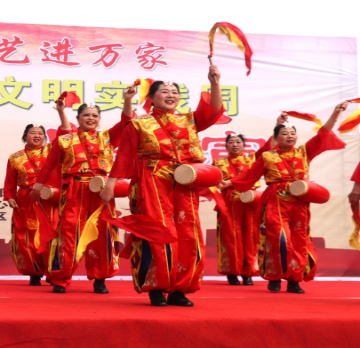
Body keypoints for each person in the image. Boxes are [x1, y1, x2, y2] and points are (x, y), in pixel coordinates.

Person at [101, 66, 225, 307]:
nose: (171, 95)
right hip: (152, 182)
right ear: (151, 98)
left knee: (188, 233)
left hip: (184, 182)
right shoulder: (139, 124)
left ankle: (180, 288)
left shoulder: (188, 120)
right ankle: (156, 287)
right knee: (158, 232)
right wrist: (110, 185)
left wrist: (215, 83)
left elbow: (213, 111)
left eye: (175, 92)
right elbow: (123, 156)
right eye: (164, 91)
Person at [223, 105, 347, 294]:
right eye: (284, 133)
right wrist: (229, 183)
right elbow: (249, 176)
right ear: (276, 138)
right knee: (280, 240)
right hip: (276, 202)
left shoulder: (304, 152)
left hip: (300, 202)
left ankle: (294, 279)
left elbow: (323, 134)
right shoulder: (267, 157)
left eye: (292, 133)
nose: (290, 136)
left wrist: (336, 113)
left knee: (299, 241)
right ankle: (274, 276)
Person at [33, 86, 135, 294]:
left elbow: (127, 122)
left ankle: (100, 278)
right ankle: (61, 278)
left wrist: (127, 100)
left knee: (102, 234)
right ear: (78, 118)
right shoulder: (65, 140)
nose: (91, 118)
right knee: (69, 234)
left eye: (95, 115)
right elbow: (49, 165)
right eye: (86, 115)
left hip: (101, 192)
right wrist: (37, 187)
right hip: (73, 191)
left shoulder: (108, 137)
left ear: (99, 119)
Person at [213, 126, 277, 286]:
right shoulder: (218, 163)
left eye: (238, 142)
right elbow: (212, 181)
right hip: (229, 204)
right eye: (231, 142)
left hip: (250, 203)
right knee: (230, 238)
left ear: (244, 145)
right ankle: (232, 272)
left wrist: (278, 125)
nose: (235, 145)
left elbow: (268, 147)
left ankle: (247, 273)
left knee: (251, 237)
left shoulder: (253, 159)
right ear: (226, 146)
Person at [3, 124, 55, 286]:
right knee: (27, 236)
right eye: (32, 133)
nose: (37, 136)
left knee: (52, 235)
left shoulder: (52, 152)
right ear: (25, 136)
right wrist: (9, 196)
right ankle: (34, 272)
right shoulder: (15, 158)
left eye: (40, 133)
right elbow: (10, 180)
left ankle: (53, 272)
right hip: (26, 199)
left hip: (49, 197)